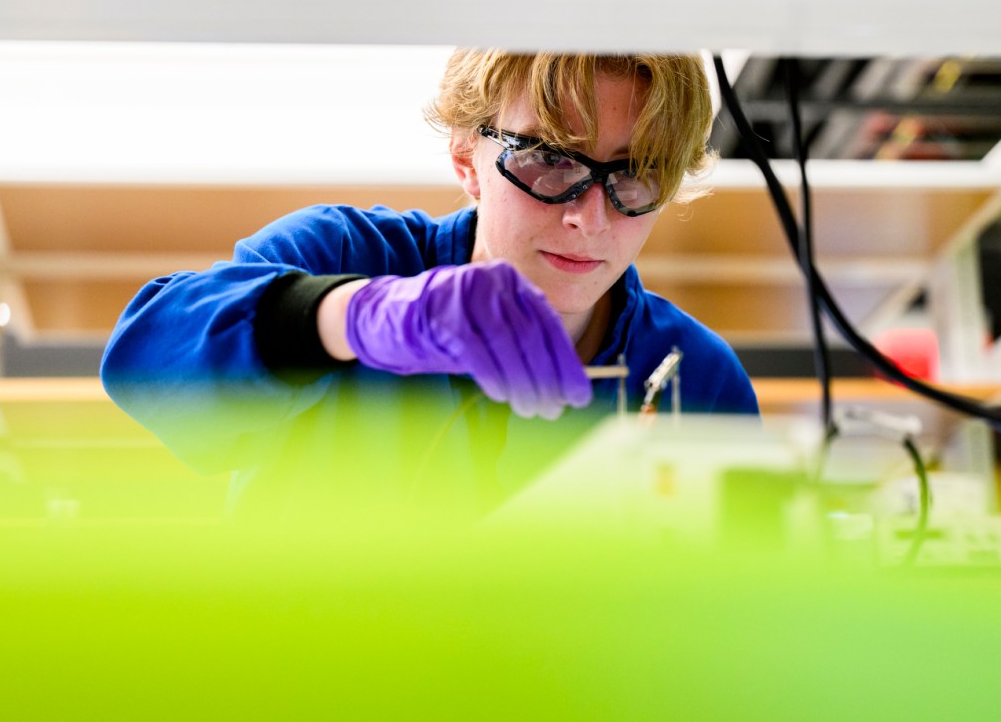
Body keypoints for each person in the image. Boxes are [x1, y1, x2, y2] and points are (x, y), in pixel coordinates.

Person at [101, 50, 759, 521]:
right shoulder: (340, 255)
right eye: (549, 159)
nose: (589, 219)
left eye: (637, 172)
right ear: (466, 156)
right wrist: (352, 318)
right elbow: (143, 368)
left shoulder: (697, 380)